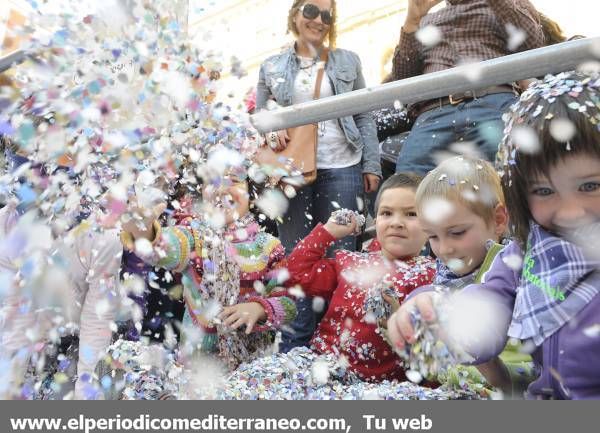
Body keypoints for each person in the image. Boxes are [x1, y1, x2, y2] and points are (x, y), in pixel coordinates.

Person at [387, 71, 600, 399]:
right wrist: (443, 315)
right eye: (544, 190)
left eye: (590, 186)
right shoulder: (525, 253)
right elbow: (490, 304)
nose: (570, 212)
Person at [213, 173, 436, 399]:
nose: (397, 222)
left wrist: (400, 325)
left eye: (411, 214)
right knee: (249, 382)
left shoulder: (433, 277)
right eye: (387, 213)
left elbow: (435, 353)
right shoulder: (351, 262)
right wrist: (327, 233)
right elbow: (295, 274)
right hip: (319, 367)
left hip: (379, 388)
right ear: (375, 220)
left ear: (432, 227)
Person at [256, 0, 382, 353]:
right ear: (295, 13)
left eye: (327, 15)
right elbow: (260, 116)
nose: (319, 20)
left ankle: (336, 347)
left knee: (339, 258)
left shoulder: (347, 61)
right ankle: (295, 351)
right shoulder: (271, 66)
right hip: (292, 169)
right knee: (296, 258)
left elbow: (364, 115)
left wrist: (371, 163)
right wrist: (270, 131)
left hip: (344, 165)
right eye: (312, 10)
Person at [119, 169, 297, 372]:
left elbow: (288, 303)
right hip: (196, 368)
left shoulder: (269, 247)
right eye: (212, 181)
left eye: (234, 180)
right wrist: (144, 231)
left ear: (253, 193)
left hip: (252, 372)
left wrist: (260, 309)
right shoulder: (194, 235)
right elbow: (167, 249)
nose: (221, 189)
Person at [0, 140, 124, 400]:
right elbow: (15, 323)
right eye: (26, 162)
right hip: (34, 337)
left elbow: (96, 324)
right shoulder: (8, 228)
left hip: (90, 340)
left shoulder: (102, 237)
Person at [412, 155, 535, 396]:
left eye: (456, 232)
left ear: (498, 220)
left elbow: (538, 369)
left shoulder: (517, 278)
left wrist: (495, 371)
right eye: (433, 237)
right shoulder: (444, 278)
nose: (444, 249)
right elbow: (434, 366)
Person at [392, 0, 544, 175]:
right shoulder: (426, 20)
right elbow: (403, 79)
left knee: (511, 177)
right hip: (432, 114)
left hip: (492, 103)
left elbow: (532, 46)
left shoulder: (504, 6)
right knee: (407, 186)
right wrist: (412, 21)